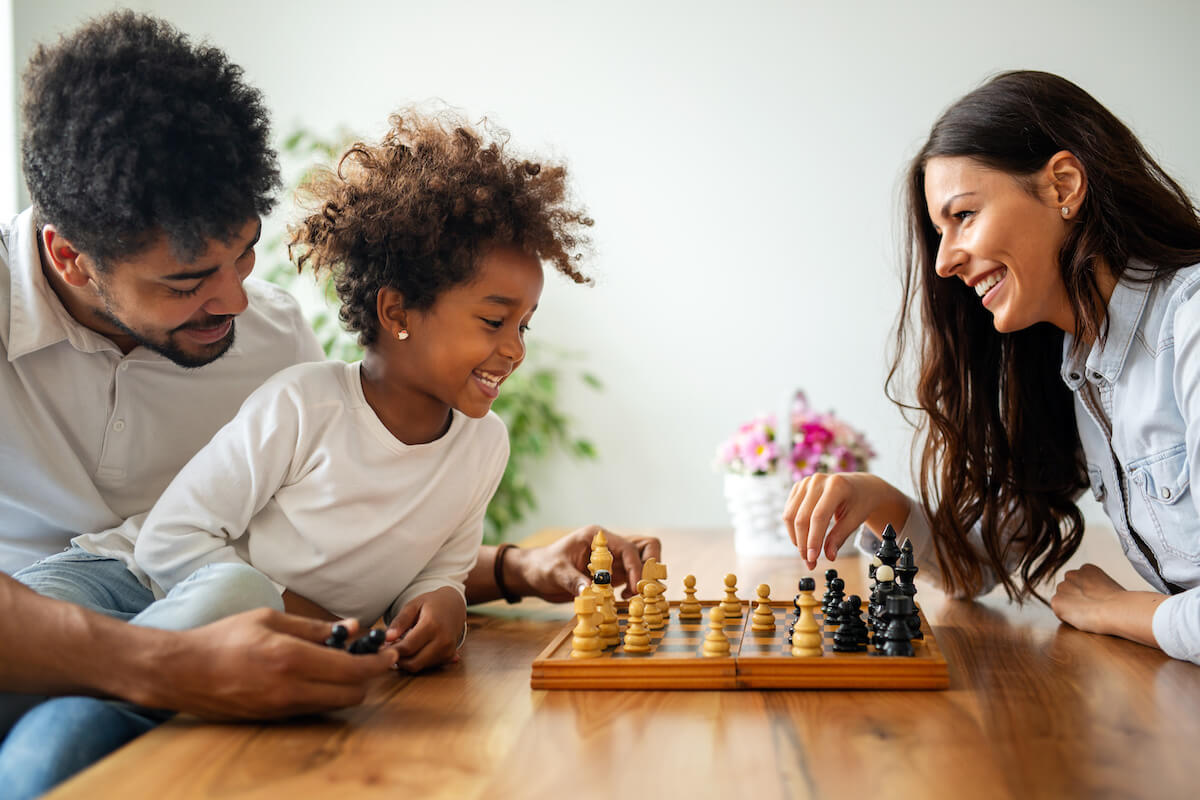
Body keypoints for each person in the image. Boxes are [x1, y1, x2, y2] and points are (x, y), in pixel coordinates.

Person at [0, 11, 658, 793]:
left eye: (243, 254)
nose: (236, 300)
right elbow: (237, 569)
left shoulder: (271, 338)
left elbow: (331, 527)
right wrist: (178, 664)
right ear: (69, 258)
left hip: (206, 633)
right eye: (186, 282)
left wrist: (507, 570)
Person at [784, 70, 1200, 667]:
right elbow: (975, 566)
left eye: (964, 216)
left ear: (1064, 185)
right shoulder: (1075, 363)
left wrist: (1118, 610)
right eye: (938, 232)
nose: (946, 260)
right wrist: (876, 499)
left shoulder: (1190, 325)